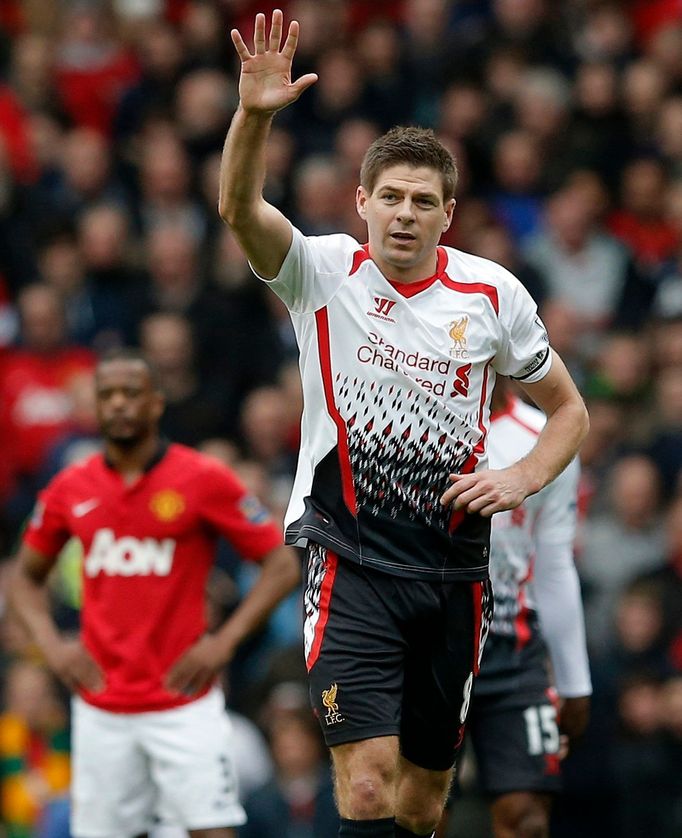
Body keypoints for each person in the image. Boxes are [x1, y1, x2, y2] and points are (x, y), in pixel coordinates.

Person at [218, 11, 589, 837]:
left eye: (424, 201)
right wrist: (254, 116)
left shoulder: (493, 296)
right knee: (368, 789)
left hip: (455, 574)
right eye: (389, 197)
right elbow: (241, 210)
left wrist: (522, 477)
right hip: (349, 558)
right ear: (361, 202)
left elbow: (570, 411)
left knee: (423, 803)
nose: (405, 215)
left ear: (447, 214)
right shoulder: (322, 272)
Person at [8, 348, 301, 838]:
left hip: (183, 699)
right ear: (96, 407)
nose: (119, 404)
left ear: (156, 404)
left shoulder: (202, 478)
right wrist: (53, 647)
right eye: (108, 395)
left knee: (212, 829)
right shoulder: (69, 488)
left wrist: (223, 642)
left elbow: (281, 564)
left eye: (131, 393)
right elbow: (23, 578)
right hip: (102, 703)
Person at [439, 378, 592, 838]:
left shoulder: (548, 437)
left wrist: (573, 681)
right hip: (434, 648)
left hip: (514, 650)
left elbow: (553, 562)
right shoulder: (421, 427)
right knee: (419, 816)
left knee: (527, 820)